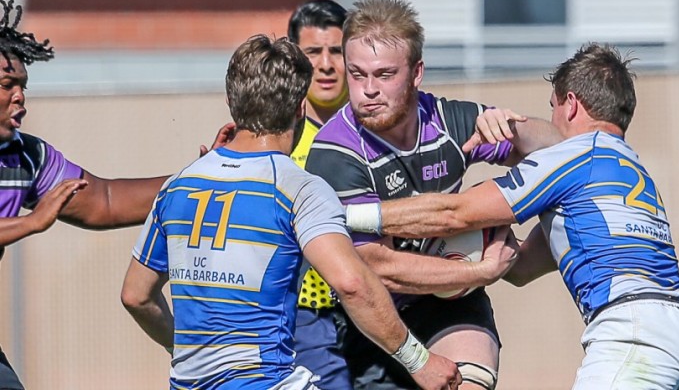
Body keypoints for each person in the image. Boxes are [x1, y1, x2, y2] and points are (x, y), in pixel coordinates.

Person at [120, 34, 463, 390]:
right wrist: (419, 361)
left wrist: (186, 352)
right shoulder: (297, 188)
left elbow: (136, 295)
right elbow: (352, 284)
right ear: (301, 107)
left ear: (231, 101)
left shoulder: (177, 186)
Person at [346, 43, 679, 389]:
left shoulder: (575, 156)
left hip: (631, 335)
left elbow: (455, 213)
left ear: (570, 105)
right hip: (666, 329)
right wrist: (478, 260)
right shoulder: (629, 170)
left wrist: (345, 216)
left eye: (551, 108)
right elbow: (521, 267)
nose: (551, 122)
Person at [305, 0, 561, 390]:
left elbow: (559, 147)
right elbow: (378, 267)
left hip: (449, 305)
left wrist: (514, 127)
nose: (368, 90)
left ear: (416, 72)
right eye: (357, 75)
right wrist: (477, 272)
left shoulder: (447, 120)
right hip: (376, 317)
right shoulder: (334, 151)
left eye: (385, 75)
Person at [0, 0, 228, 387]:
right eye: (6, 84)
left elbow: (103, 200)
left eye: (23, 85)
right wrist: (32, 222)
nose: (20, 97)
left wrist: (198, 180)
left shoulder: (25, 156)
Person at [285, 0, 354, 389]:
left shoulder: (375, 131)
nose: (326, 64)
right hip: (308, 313)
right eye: (313, 52)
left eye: (337, 51)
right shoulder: (278, 138)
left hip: (382, 302)